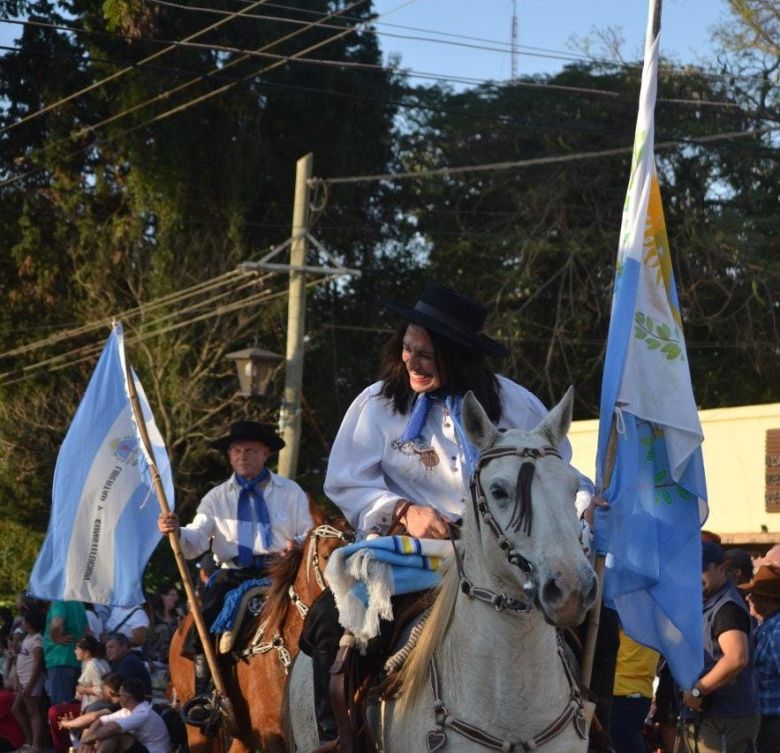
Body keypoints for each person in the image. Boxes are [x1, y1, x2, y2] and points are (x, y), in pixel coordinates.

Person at [302, 283, 595, 747]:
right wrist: (402, 509)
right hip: (413, 554)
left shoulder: (517, 404)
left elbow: (557, 471)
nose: (410, 362)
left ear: (458, 357)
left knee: (605, 624)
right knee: (325, 620)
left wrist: (580, 509)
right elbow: (345, 481)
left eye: (426, 355)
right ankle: (337, 737)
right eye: (407, 348)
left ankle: (593, 727)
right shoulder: (376, 405)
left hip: (506, 558)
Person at [157, 420, 312, 692]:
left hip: (282, 570)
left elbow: (310, 533)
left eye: (250, 450)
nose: (242, 457)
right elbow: (196, 539)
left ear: (266, 453)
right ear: (229, 455)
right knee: (203, 625)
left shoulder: (291, 492)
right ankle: (205, 694)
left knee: (321, 617)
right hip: (233, 575)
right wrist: (176, 532)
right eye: (236, 451)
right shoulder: (216, 498)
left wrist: (296, 543)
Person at [681, 541, 759, 753]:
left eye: (703, 568)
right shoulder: (712, 602)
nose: (695, 574)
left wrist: (698, 690)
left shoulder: (726, 607)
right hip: (715, 718)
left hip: (724, 720)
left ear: (722, 568)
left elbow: (737, 658)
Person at [738, 564, 780, 752]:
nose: (748, 598)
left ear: (769, 600)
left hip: (774, 722)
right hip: (767, 720)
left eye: (754, 594)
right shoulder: (766, 627)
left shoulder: (777, 632)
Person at [48, 634, 112, 753]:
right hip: (86, 703)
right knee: (59, 709)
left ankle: (62, 748)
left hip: (94, 707)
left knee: (54, 713)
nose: (75, 651)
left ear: (86, 652)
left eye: (77, 649)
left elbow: (103, 691)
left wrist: (84, 690)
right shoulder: (91, 662)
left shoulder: (93, 665)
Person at [79, 678, 169, 753]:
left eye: (119, 695)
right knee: (107, 734)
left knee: (115, 734)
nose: (118, 698)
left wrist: (89, 739)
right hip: (143, 748)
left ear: (125, 698)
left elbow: (113, 728)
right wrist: (86, 742)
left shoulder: (143, 713)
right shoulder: (127, 711)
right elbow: (100, 721)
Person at [609, 628, 660, 753]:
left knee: (618, 744)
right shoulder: (658, 620)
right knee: (631, 739)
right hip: (643, 692)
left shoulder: (624, 616)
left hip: (620, 689)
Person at [11, 608, 46, 753]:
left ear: (29, 623)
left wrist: (30, 684)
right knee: (16, 709)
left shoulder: (37, 639)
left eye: (24, 621)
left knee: (34, 712)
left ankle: (36, 746)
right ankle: (29, 740)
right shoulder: (27, 638)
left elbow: (38, 663)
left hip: (31, 683)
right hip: (23, 682)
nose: (22, 624)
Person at [43, 600, 88, 705]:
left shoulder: (59, 601)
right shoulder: (79, 604)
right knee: (73, 706)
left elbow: (57, 621)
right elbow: (86, 630)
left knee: (61, 707)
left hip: (59, 659)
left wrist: (55, 638)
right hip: (75, 659)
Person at [144, 585, 183, 666]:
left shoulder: (177, 616)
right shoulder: (153, 615)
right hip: (156, 658)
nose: (176, 598)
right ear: (163, 597)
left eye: (176, 595)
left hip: (174, 657)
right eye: (172, 595)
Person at [104, 634, 151, 699]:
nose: (108, 651)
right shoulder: (118, 661)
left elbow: (123, 692)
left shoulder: (129, 662)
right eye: (107, 648)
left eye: (111, 647)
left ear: (124, 647)